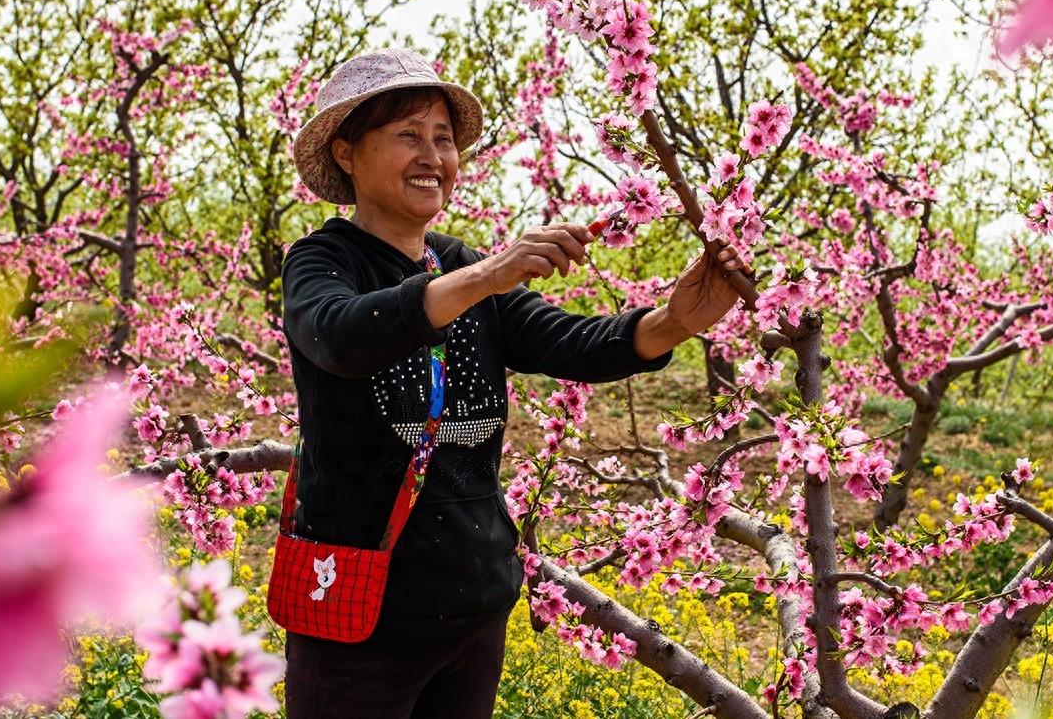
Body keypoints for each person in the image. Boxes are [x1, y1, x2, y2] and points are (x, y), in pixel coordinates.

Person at [280, 48, 746, 718]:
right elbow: (339, 336)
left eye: (443, 139)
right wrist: (487, 278)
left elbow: (572, 343)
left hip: (474, 601)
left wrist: (673, 321)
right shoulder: (324, 260)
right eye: (408, 135)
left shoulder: (460, 263)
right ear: (348, 153)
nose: (432, 156)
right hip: (362, 613)